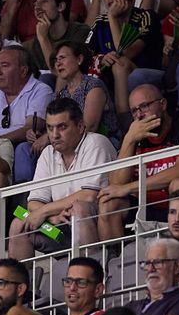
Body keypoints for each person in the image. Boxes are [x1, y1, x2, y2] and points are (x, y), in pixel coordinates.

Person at [96, 85, 179, 242]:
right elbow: (116, 184)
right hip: (147, 208)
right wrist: (129, 140)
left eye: (144, 106)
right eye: (134, 111)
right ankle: (115, 263)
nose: (139, 115)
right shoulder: (134, 133)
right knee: (108, 202)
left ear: (163, 104)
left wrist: (126, 188)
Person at [12, 98, 115, 253]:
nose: (54, 135)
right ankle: (19, 277)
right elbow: (34, 203)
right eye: (50, 128)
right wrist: (51, 217)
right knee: (18, 224)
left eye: (62, 127)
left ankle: (91, 270)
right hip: (58, 228)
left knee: (79, 209)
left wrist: (44, 212)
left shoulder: (96, 143)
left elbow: (89, 196)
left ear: (80, 126)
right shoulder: (47, 153)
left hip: (96, 225)